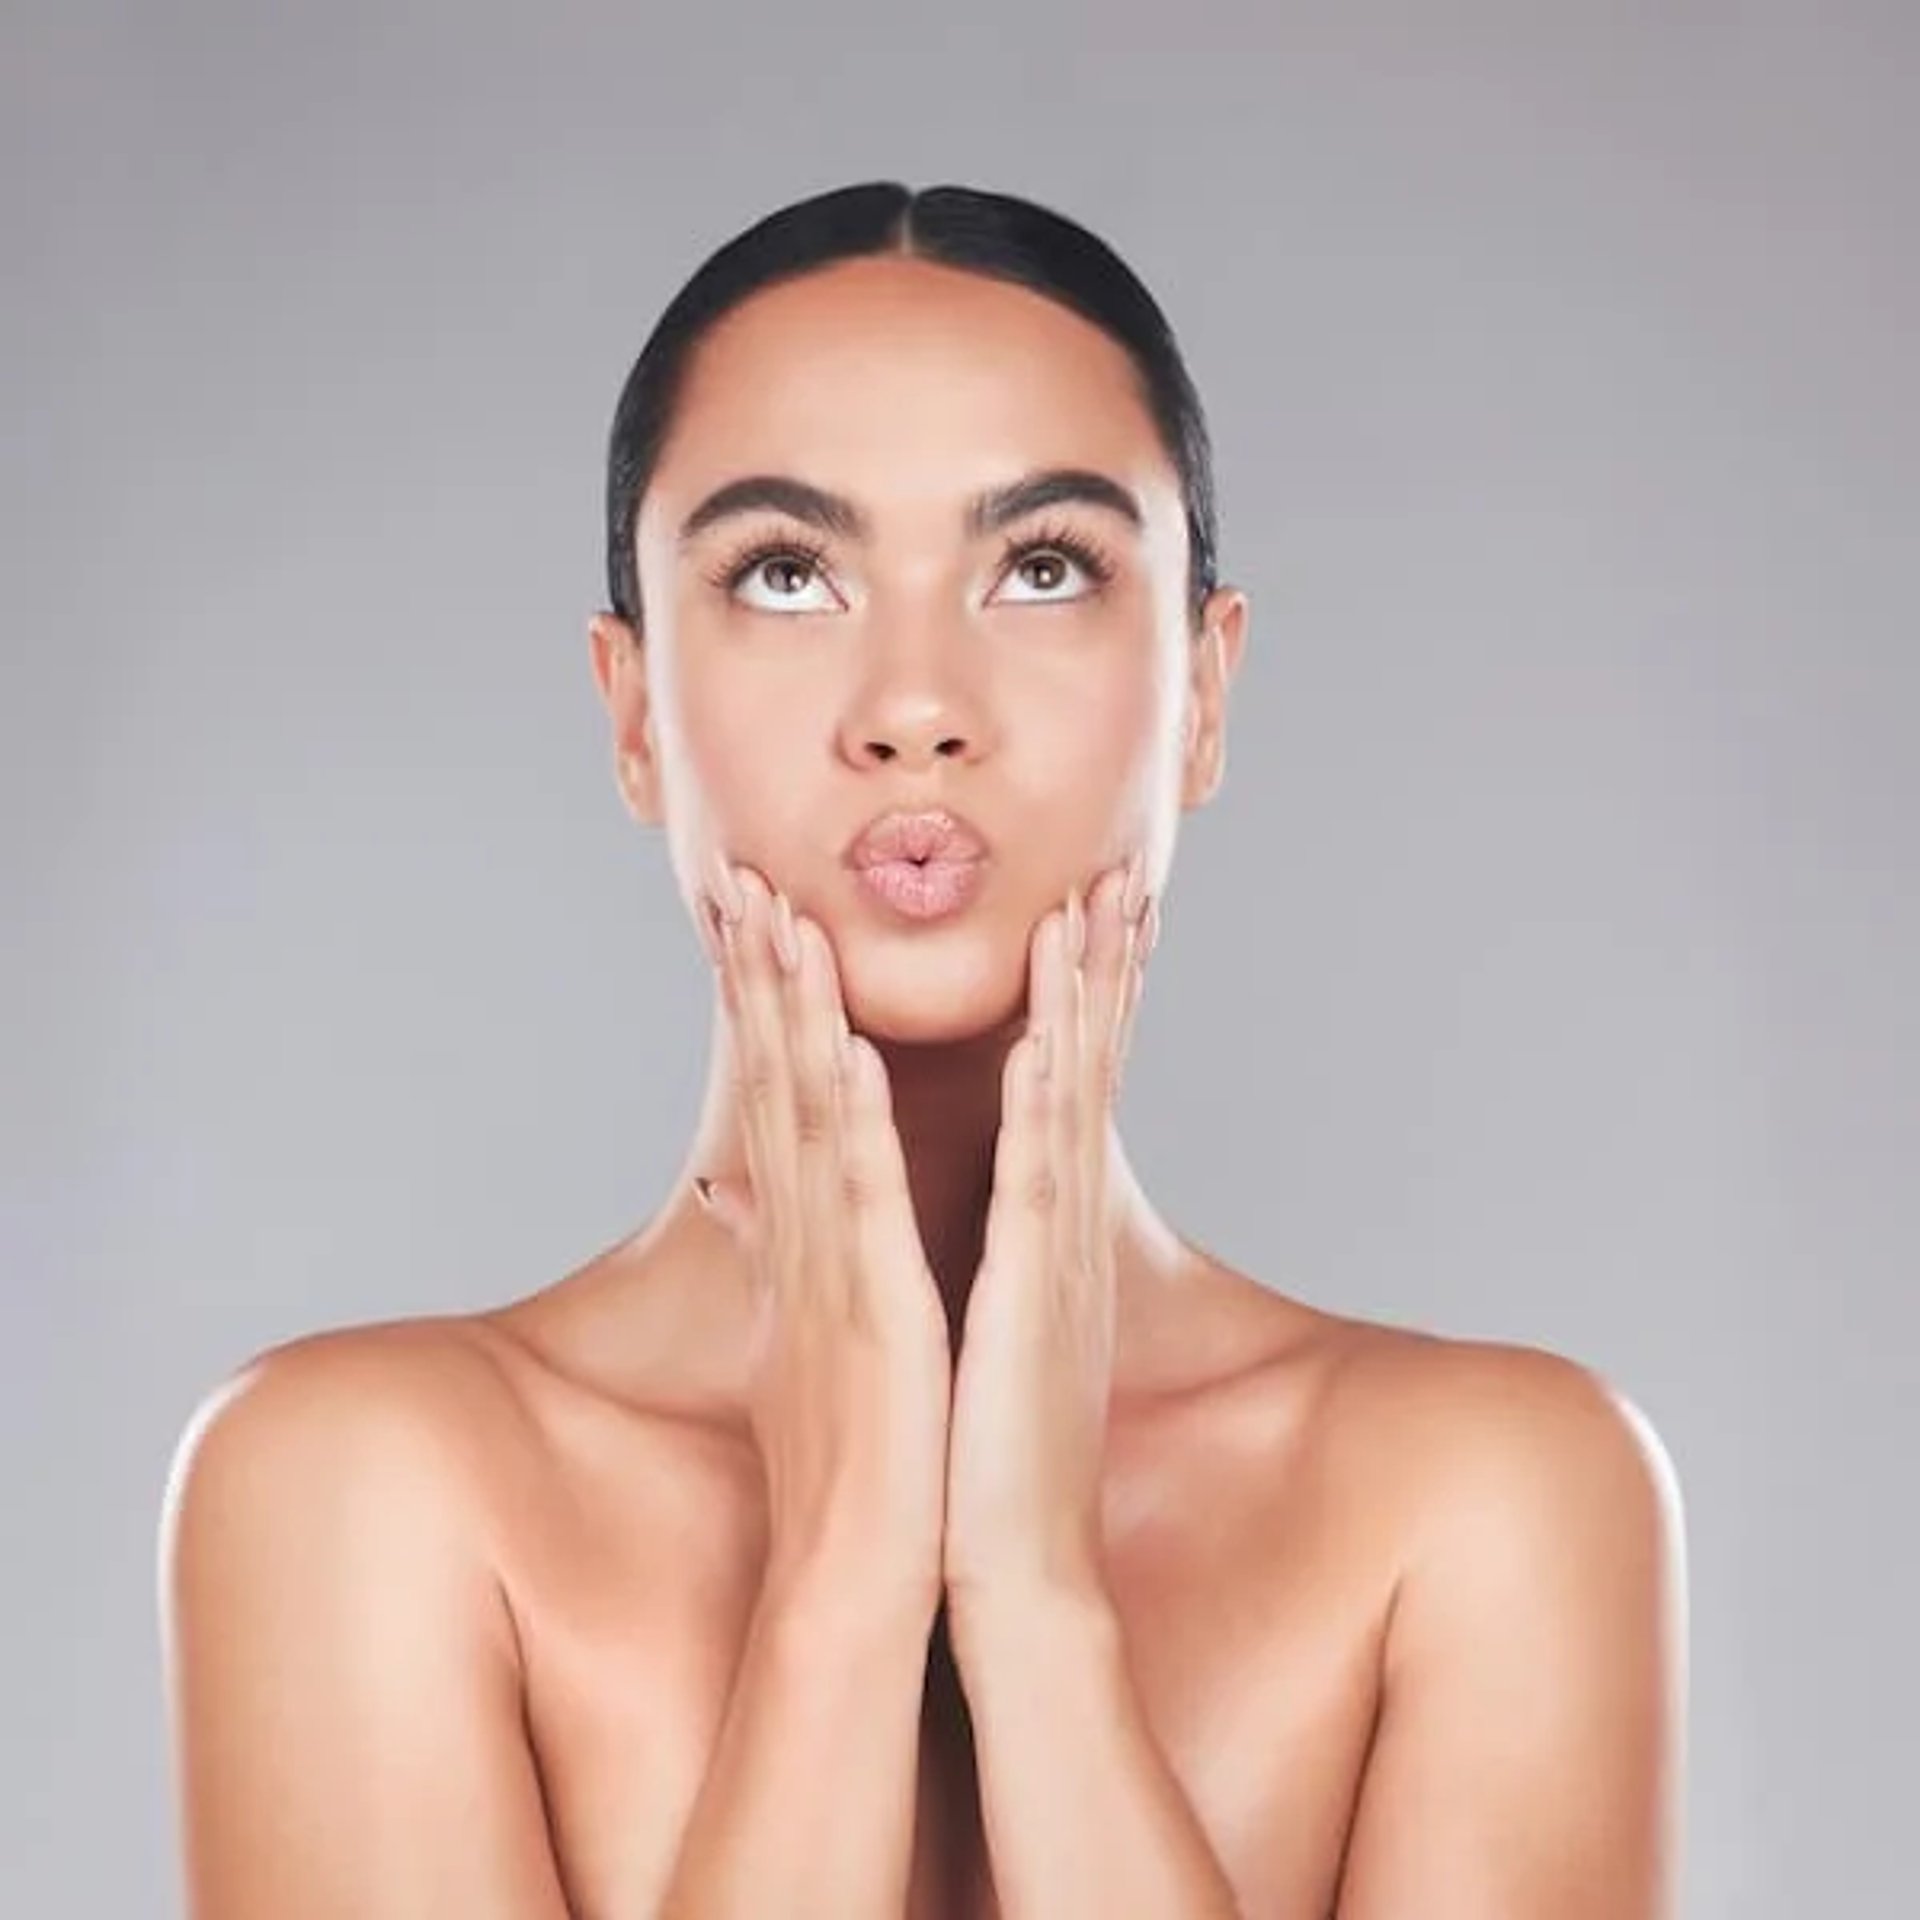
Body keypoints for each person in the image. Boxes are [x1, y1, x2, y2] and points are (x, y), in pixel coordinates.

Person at [157, 180, 1687, 1919]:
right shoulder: (359, 1492)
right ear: (635, 709)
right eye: (786, 573)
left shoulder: (1491, 1511)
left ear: (1203, 688)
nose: (913, 704)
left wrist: (1037, 1602)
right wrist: (840, 1582)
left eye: (1040, 568)